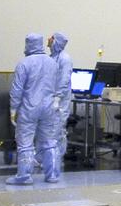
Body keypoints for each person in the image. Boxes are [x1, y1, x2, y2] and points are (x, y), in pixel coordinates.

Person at [6, 34, 59, 185]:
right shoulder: (52, 63)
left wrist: (13, 109)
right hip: (49, 108)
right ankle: (52, 175)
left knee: (25, 142)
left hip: (29, 108)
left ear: (28, 44)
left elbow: (17, 90)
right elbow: (56, 86)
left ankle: (24, 176)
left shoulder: (24, 64)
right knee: (49, 142)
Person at [44, 31, 73, 180]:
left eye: (52, 38)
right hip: (51, 99)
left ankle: (56, 162)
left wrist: (58, 97)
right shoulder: (52, 58)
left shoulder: (64, 59)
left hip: (60, 102)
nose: (48, 40)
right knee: (49, 131)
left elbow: (64, 79)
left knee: (57, 131)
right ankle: (49, 161)